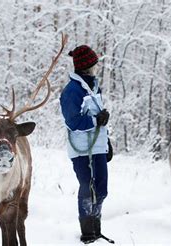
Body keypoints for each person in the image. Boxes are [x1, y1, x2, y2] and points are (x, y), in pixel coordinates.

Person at [60, 45, 114, 244]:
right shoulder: (72, 91)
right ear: (86, 66)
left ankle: (96, 227)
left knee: (101, 189)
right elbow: (72, 121)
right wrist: (96, 121)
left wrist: (105, 142)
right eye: (94, 63)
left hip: (96, 146)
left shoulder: (93, 86)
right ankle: (87, 232)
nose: (97, 66)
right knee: (87, 187)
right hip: (81, 150)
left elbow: (95, 115)